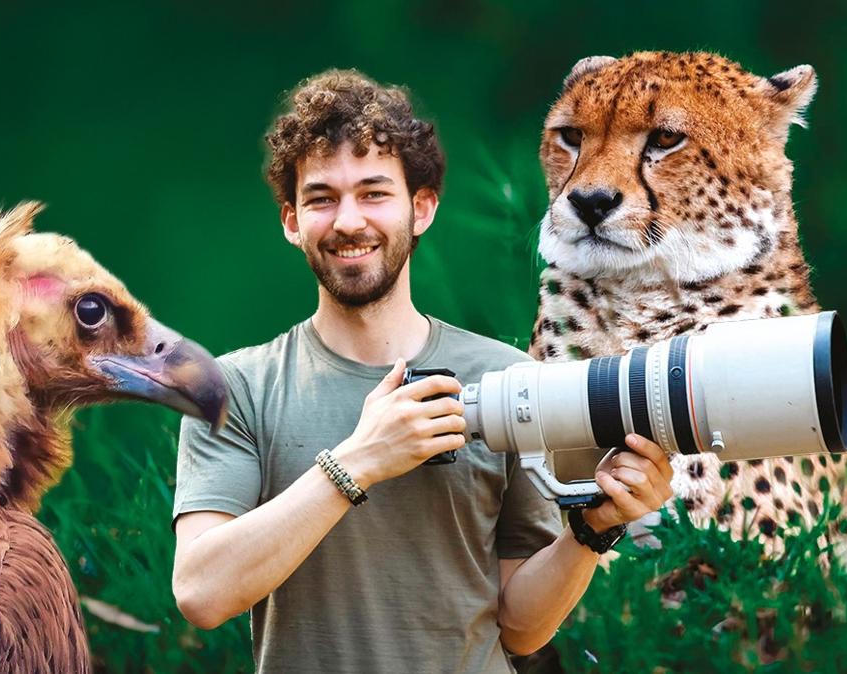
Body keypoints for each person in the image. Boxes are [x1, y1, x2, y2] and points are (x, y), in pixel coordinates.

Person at [172, 69, 673, 674]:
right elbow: (201, 593)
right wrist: (358, 463)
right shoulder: (234, 390)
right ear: (291, 221)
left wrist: (594, 529)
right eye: (322, 198)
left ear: (422, 208)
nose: (349, 220)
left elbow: (519, 627)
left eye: (374, 193)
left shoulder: (509, 379)